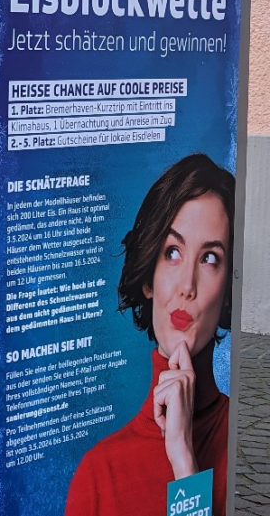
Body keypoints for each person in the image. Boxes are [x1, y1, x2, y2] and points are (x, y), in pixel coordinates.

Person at [65, 154, 233, 516]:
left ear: (228, 289)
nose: (186, 286)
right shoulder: (98, 473)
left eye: (209, 259)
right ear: (147, 279)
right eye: (172, 252)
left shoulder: (247, 444)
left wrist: (184, 461)